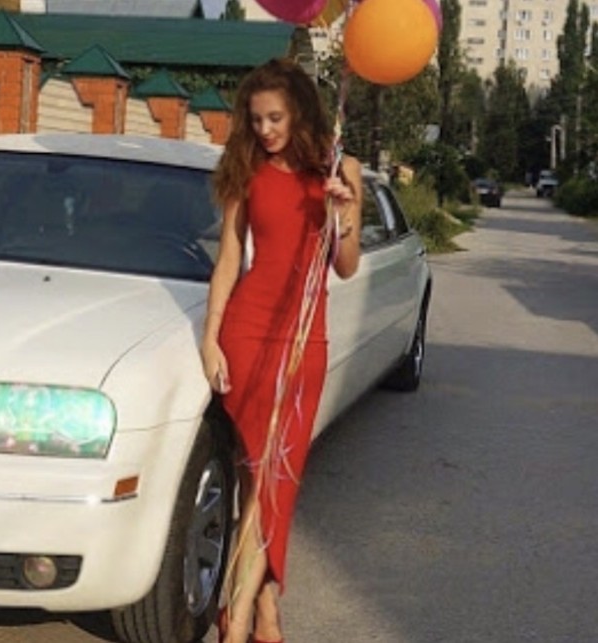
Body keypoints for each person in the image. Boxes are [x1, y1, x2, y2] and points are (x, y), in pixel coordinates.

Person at [200, 57, 361, 643]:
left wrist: (342, 215)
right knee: (257, 476)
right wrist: (210, 338)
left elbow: (346, 267)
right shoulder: (246, 168)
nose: (264, 129)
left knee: (280, 475)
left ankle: (242, 606)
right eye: (256, 119)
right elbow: (228, 260)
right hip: (247, 333)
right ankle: (254, 613)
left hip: (305, 339)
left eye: (275, 118)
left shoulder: (341, 169)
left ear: (299, 112)